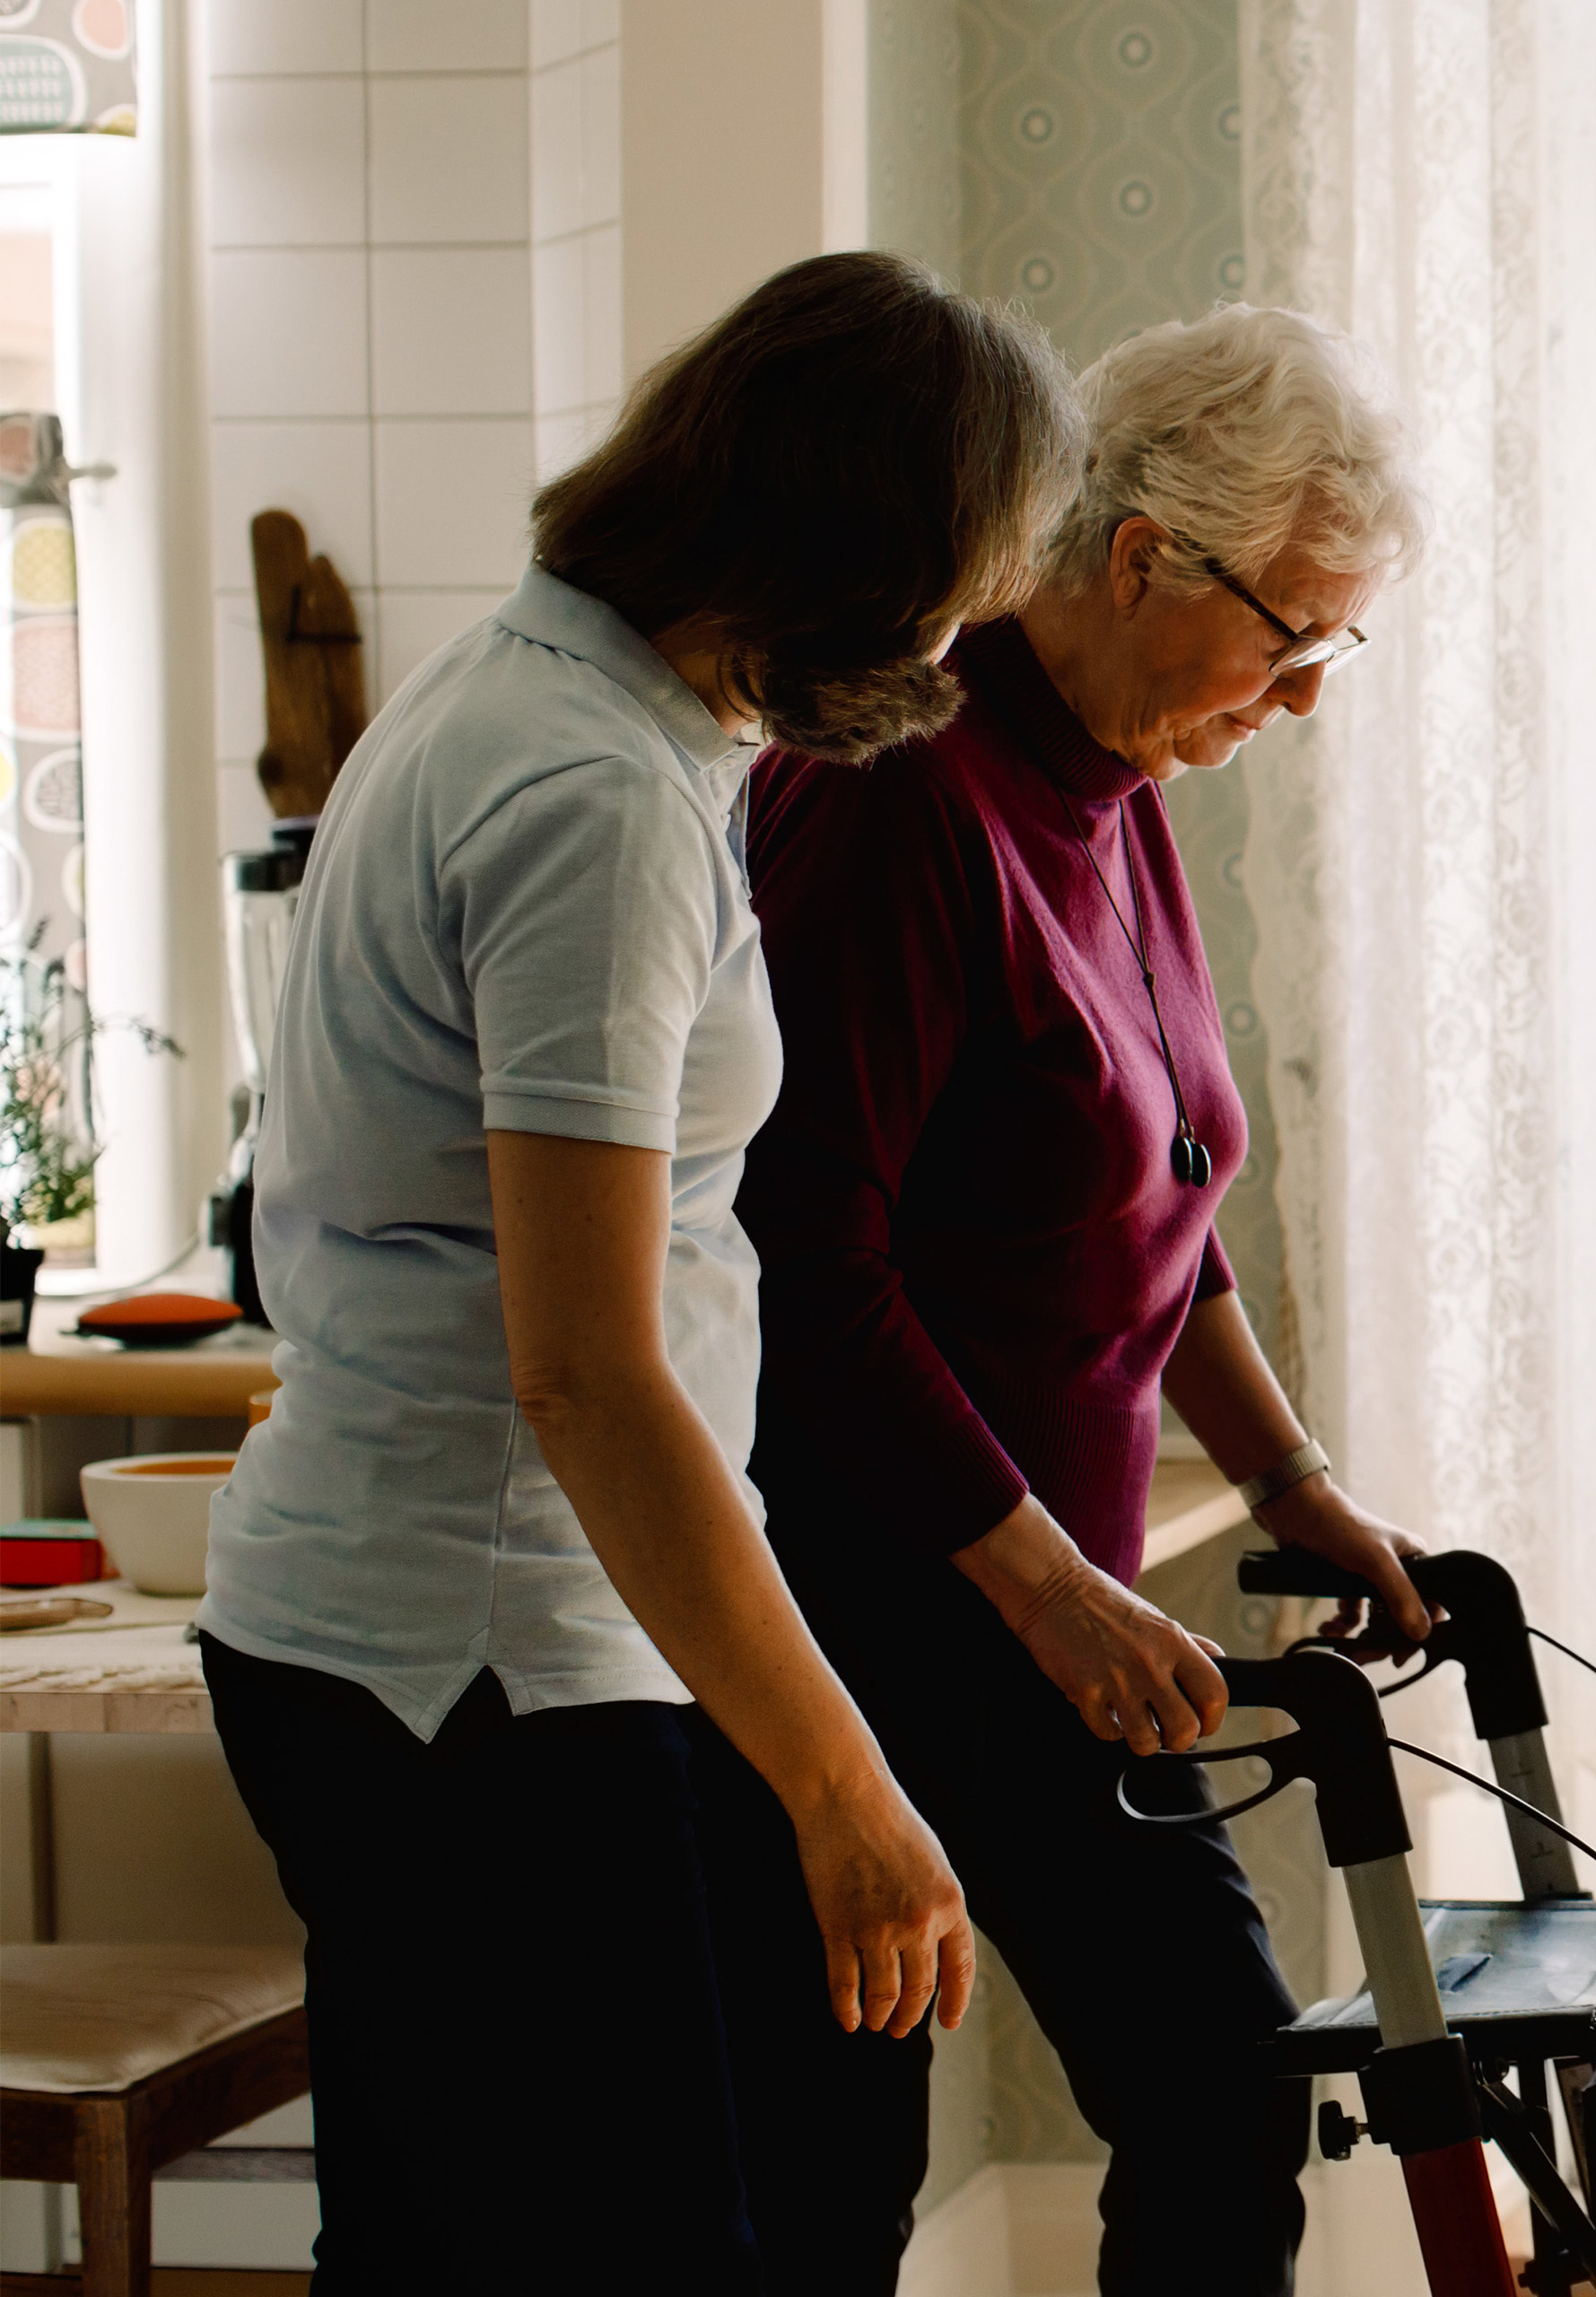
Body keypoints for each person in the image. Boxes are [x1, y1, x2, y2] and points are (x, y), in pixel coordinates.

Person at [196, 252, 1085, 2293]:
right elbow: (587, 1366)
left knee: (452, 2235)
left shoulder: (570, 697)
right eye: (961, 577)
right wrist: (845, 1782)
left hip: (432, 1628)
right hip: (478, 1650)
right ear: (860, 545)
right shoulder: (597, 790)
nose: (965, 633)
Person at [718, 304, 1429, 2295]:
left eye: (1328, 650)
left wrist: (1285, 1476)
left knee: (1219, 2080)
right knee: (834, 2177)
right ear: (1139, 558)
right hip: (866, 1614)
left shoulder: (1118, 780)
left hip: (1036, 1614)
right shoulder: (898, 791)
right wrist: (1049, 1590)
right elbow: (804, 1265)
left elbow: (1165, 1196)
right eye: (1290, 633)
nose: (1297, 695)